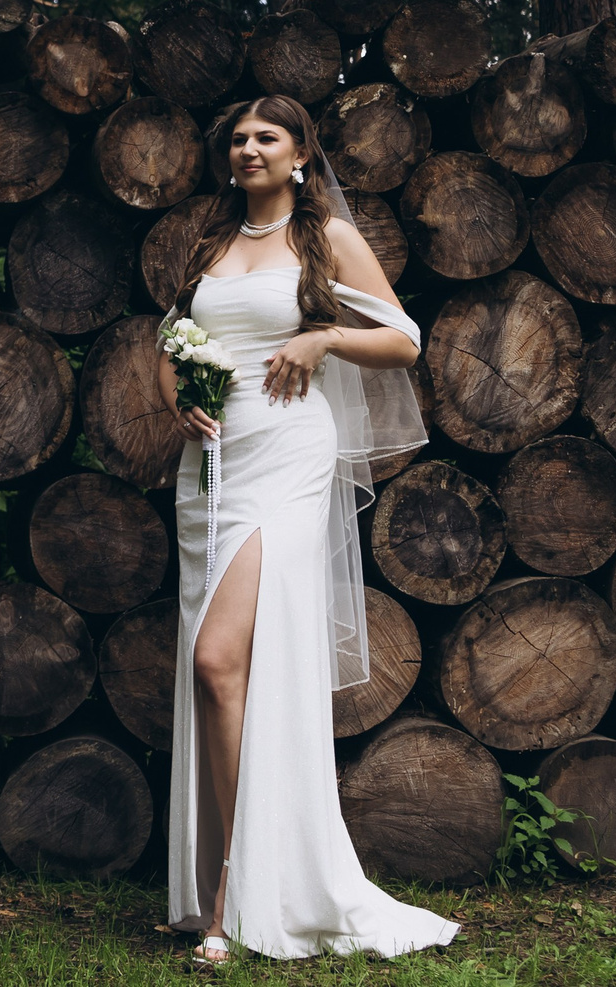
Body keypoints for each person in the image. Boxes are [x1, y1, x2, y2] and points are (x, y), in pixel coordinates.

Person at [154, 95, 460, 963]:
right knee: (218, 673)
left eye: (268, 137)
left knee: (221, 660)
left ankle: (227, 894)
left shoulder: (322, 240)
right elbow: (173, 336)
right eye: (239, 138)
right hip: (210, 470)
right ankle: (231, 877)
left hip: (287, 459)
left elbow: (404, 339)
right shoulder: (212, 246)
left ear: (299, 156)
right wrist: (180, 397)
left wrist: (323, 338)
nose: (249, 147)